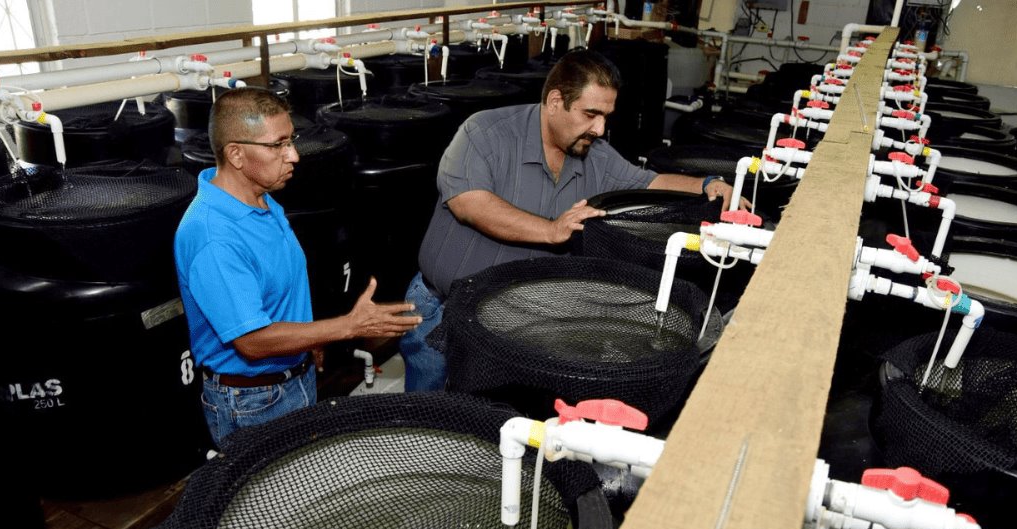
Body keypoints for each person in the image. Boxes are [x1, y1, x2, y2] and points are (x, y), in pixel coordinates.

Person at [401, 49, 747, 391]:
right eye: (590, 114)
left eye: (606, 116)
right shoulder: (484, 133)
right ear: (555, 102)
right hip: (442, 308)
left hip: (521, 316)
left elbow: (647, 182)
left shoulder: (594, 153)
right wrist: (552, 230)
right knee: (425, 409)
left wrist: (707, 186)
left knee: (490, 410)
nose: (600, 128)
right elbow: (470, 204)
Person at [175, 87, 421, 445]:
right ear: (237, 154)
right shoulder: (214, 237)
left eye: (291, 140)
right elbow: (252, 341)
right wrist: (348, 327)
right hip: (254, 402)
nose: (293, 155)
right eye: (278, 145)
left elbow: (276, 289)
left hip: (293, 375)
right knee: (267, 498)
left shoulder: (261, 200)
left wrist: (308, 339)